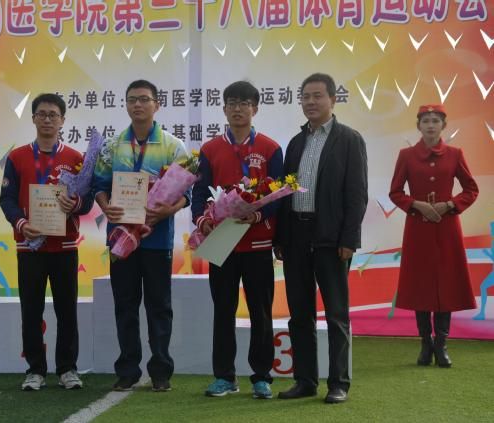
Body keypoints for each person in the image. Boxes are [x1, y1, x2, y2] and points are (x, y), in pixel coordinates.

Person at [273, 73, 368, 404]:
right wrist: (281, 238)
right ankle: (305, 380)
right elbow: (284, 194)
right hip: (296, 237)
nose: (311, 102)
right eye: (306, 97)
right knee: (300, 313)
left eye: (317, 96)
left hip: (331, 238)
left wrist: (349, 239)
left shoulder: (349, 140)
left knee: (336, 313)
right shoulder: (296, 143)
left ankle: (339, 383)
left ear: (332, 99)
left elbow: (357, 194)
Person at [93, 79, 191, 392]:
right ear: (125, 104)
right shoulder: (112, 146)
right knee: (125, 304)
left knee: (159, 306)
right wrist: (105, 207)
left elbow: (187, 193)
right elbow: (99, 185)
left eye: (144, 99)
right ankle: (128, 369)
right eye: (132, 99)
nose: (138, 104)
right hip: (120, 238)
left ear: (156, 104)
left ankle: (161, 371)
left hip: (157, 238)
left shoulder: (173, 146)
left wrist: (168, 210)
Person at [192, 81, 283, 399]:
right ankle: (224, 376)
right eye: (232, 103)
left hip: (257, 243)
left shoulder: (270, 148)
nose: (238, 109)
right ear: (224, 108)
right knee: (223, 311)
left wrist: (258, 215)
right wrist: (202, 221)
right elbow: (199, 193)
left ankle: (262, 376)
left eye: (244, 103)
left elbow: (280, 195)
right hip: (222, 242)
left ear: (255, 108)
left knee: (261, 311)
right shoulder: (210, 149)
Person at [0, 93, 94, 391]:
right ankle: (35, 370)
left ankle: (67, 369)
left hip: (64, 246)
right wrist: (21, 223)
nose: (48, 119)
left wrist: (75, 203)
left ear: (63, 120)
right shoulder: (17, 157)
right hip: (30, 246)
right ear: (33, 119)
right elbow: (7, 199)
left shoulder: (76, 158)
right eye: (42, 114)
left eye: (54, 115)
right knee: (31, 310)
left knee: (67, 311)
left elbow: (88, 200)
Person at [389, 104, 478, 367]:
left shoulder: (455, 154)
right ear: (418, 126)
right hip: (417, 228)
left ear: (443, 126)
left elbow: (471, 189)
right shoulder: (406, 155)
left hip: (447, 227)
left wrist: (450, 204)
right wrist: (417, 205)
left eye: (435, 121)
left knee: (446, 283)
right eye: (426, 121)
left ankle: (441, 344)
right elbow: (395, 192)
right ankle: (425, 343)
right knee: (420, 283)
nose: (430, 125)